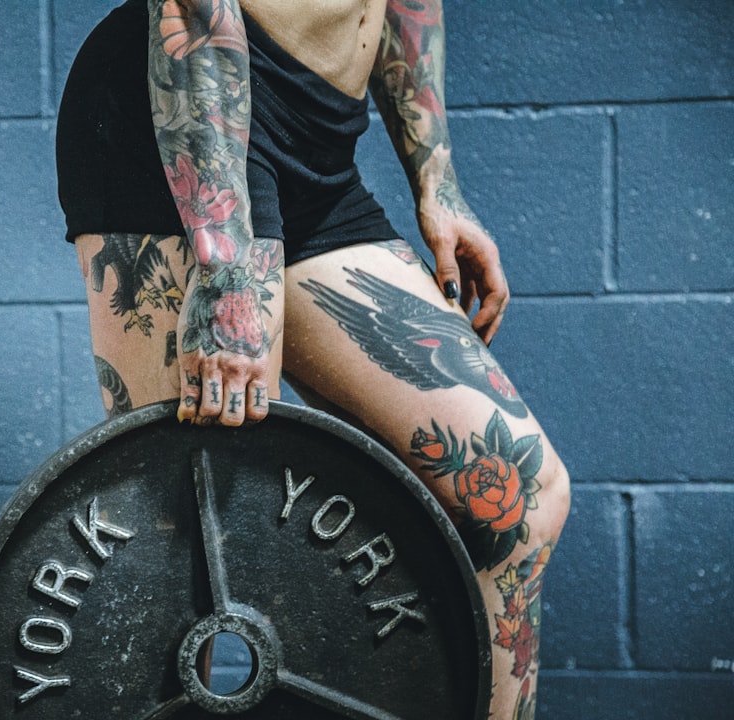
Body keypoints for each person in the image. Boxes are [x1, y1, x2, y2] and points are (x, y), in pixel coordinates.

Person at [56, 1, 571, 717]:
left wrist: (437, 180)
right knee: (173, 542)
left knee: (522, 497)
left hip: (319, 139)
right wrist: (227, 263)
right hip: (191, 109)